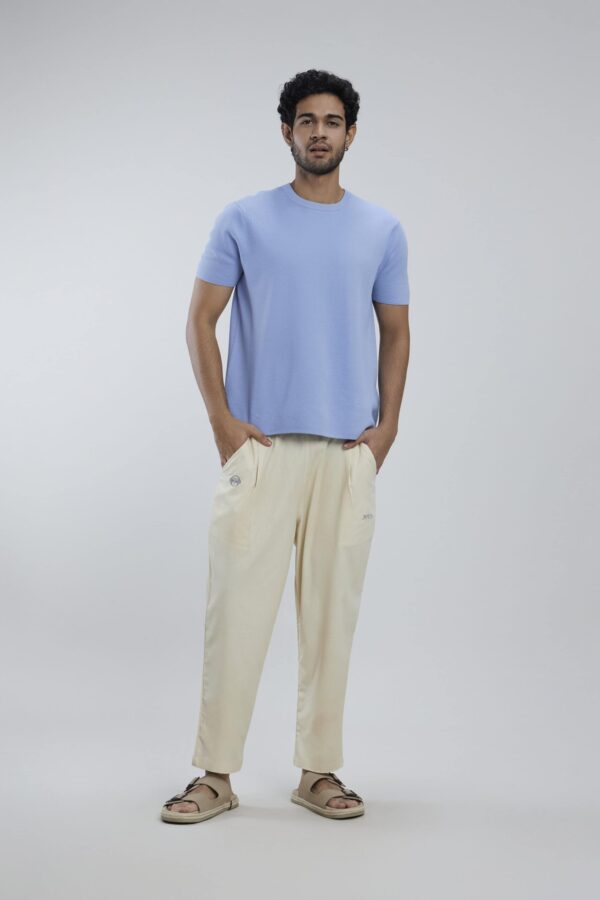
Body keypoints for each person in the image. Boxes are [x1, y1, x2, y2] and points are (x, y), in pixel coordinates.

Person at [161, 68, 410, 824]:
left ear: (351, 134)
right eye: (307, 121)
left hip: (345, 454)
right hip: (261, 449)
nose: (319, 133)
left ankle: (319, 771)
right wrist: (223, 424)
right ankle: (215, 775)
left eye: (333, 121)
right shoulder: (244, 219)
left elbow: (396, 331)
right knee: (235, 612)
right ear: (286, 132)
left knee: (332, 618)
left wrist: (386, 430)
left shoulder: (381, 230)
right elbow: (200, 319)